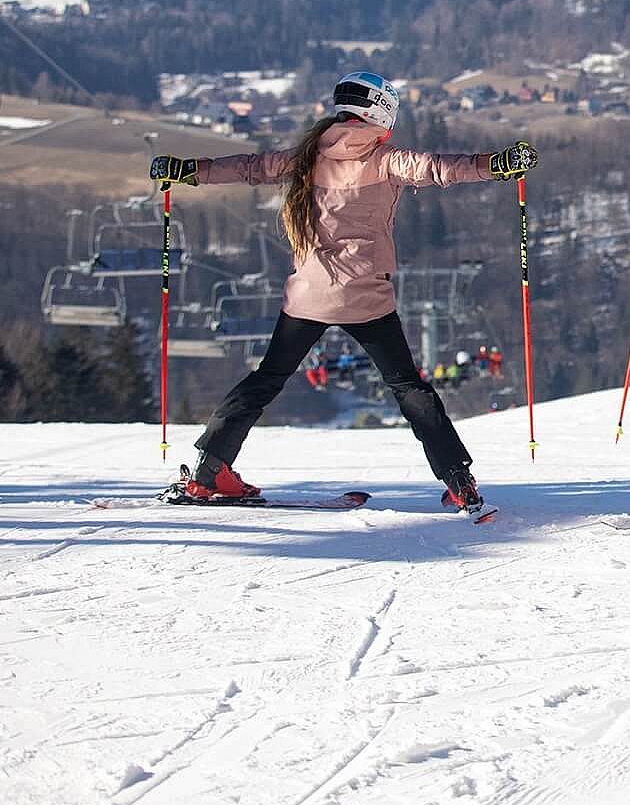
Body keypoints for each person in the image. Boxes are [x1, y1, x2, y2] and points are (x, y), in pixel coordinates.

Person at [147, 71, 538, 519]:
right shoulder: (386, 159)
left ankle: (209, 470)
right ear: (381, 112)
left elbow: (250, 167)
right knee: (408, 388)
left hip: (308, 294)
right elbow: (440, 169)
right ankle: (459, 483)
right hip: (365, 296)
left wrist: (188, 172)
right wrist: (498, 164)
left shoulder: (306, 157)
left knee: (267, 378)